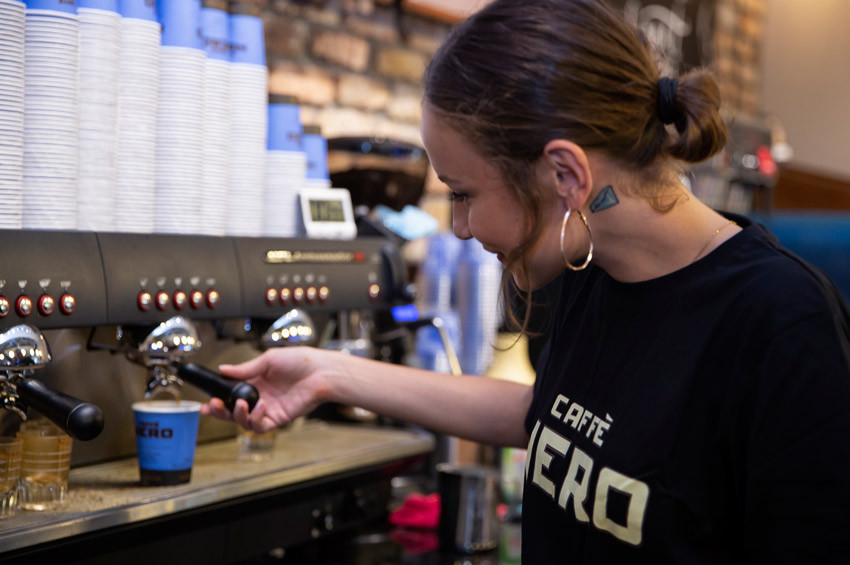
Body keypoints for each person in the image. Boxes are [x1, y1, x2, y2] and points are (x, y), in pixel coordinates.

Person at [203, 0, 850, 562]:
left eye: (463, 193)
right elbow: (550, 416)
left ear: (566, 175)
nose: (458, 226)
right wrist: (327, 373)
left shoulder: (783, 329)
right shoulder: (588, 266)